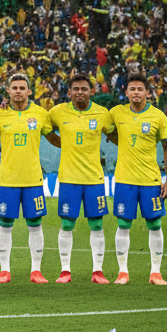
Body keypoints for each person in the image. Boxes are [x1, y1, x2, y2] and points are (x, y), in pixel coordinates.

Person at [0, 73, 55, 284]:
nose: (18, 91)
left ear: (29, 91)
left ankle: (36, 271)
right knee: (5, 224)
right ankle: (5, 271)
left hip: (33, 179)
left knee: (35, 224)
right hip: (7, 180)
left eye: (22, 88)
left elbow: (54, 137)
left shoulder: (41, 114)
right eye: (14, 88)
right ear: (8, 91)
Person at [47, 74, 115, 284]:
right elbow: (46, 130)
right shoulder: (58, 112)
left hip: (94, 179)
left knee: (96, 224)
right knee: (67, 224)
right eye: (75, 89)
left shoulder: (102, 114)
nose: (79, 92)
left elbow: (114, 135)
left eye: (84, 89)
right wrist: (63, 144)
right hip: (68, 178)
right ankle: (65, 271)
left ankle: (98, 271)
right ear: (69, 92)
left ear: (92, 91)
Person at [108, 74, 167, 285]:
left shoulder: (158, 116)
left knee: (154, 224)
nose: (136, 92)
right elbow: (106, 130)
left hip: (151, 181)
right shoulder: (116, 113)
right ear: (126, 92)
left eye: (140, 89)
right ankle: (122, 272)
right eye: (132, 89)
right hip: (125, 180)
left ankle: (156, 273)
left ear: (147, 92)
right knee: (123, 223)